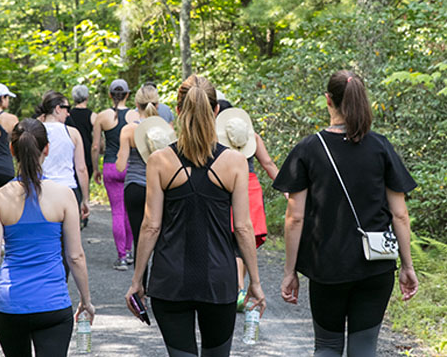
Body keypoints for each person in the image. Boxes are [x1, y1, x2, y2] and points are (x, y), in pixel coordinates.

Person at [273, 70, 418, 356]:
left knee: (327, 346)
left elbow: (295, 217)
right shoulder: (380, 146)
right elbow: (399, 215)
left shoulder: (309, 149)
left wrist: (290, 272)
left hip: (327, 267)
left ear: (328, 100)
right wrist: (408, 266)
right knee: (364, 347)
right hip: (376, 266)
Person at [126, 75, 266, 357]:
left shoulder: (159, 161)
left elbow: (151, 226)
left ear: (177, 110)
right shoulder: (236, 163)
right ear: (216, 112)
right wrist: (256, 282)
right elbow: (242, 228)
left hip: (170, 279)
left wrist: (137, 280)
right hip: (219, 279)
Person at [0, 118, 94, 356]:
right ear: (46, 149)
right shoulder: (65, 196)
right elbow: (75, 256)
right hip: (53, 305)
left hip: (10, 307)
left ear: (12, 149)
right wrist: (86, 301)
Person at [216, 102, 282, 311]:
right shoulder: (252, 137)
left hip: (227, 186)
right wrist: (288, 188)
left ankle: (238, 288)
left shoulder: (218, 140)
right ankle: (239, 289)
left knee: (231, 242)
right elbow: (269, 164)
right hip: (251, 187)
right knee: (245, 242)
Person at [116, 84, 176, 282]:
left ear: (136, 104)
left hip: (134, 187)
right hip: (159, 187)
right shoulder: (167, 131)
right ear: (157, 105)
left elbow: (120, 166)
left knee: (139, 237)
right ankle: (160, 285)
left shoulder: (128, 130)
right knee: (160, 235)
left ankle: (140, 286)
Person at [92, 78, 138, 270]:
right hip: (130, 166)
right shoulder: (136, 115)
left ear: (110, 95)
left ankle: (120, 257)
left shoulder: (102, 117)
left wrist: (95, 169)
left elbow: (95, 146)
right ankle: (128, 252)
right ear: (128, 94)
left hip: (111, 166)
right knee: (129, 211)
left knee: (117, 211)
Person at [36, 91, 90, 221]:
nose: (69, 113)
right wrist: (85, 199)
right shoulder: (73, 133)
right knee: (70, 237)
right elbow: (81, 168)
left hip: (42, 190)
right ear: (58, 109)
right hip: (68, 190)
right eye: (67, 108)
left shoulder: (35, 131)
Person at [66, 84, 95, 228]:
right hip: (87, 153)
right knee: (84, 181)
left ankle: (74, 211)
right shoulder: (92, 115)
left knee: (72, 183)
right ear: (87, 97)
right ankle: (83, 208)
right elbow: (97, 137)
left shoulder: (67, 114)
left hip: (71, 152)